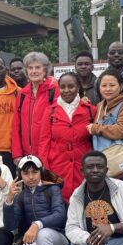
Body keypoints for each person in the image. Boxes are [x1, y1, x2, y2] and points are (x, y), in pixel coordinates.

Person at [2, 155, 67, 245]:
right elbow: (10, 225)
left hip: (57, 238)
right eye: (26, 173)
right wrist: (9, 200)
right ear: (20, 175)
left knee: (42, 234)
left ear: (41, 171)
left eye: (35, 172)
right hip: (35, 240)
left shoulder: (52, 188)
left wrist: (37, 224)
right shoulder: (20, 194)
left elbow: (60, 215)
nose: (31, 177)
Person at [38, 72, 95, 203]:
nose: (66, 90)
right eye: (62, 87)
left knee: (84, 202)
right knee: (60, 204)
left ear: (78, 87)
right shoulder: (50, 111)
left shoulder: (90, 110)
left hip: (82, 165)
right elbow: (43, 142)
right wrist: (45, 169)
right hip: (57, 165)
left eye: (71, 86)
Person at [87, 67, 123, 191]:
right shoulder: (100, 106)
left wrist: (96, 128)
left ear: (120, 86)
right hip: (105, 164)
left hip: (121, 164)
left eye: (112, 85)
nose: (108, 89)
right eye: (104, 85)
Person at [11, 52, 59, 164]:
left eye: (38, 67)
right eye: (30, 68)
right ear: (26, 71)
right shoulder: (22, 94)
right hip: (26, 156)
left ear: (45, 70)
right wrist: (17, 154)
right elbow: (16, 126)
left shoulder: (54, 90)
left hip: (50, 154)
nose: (34, 71)